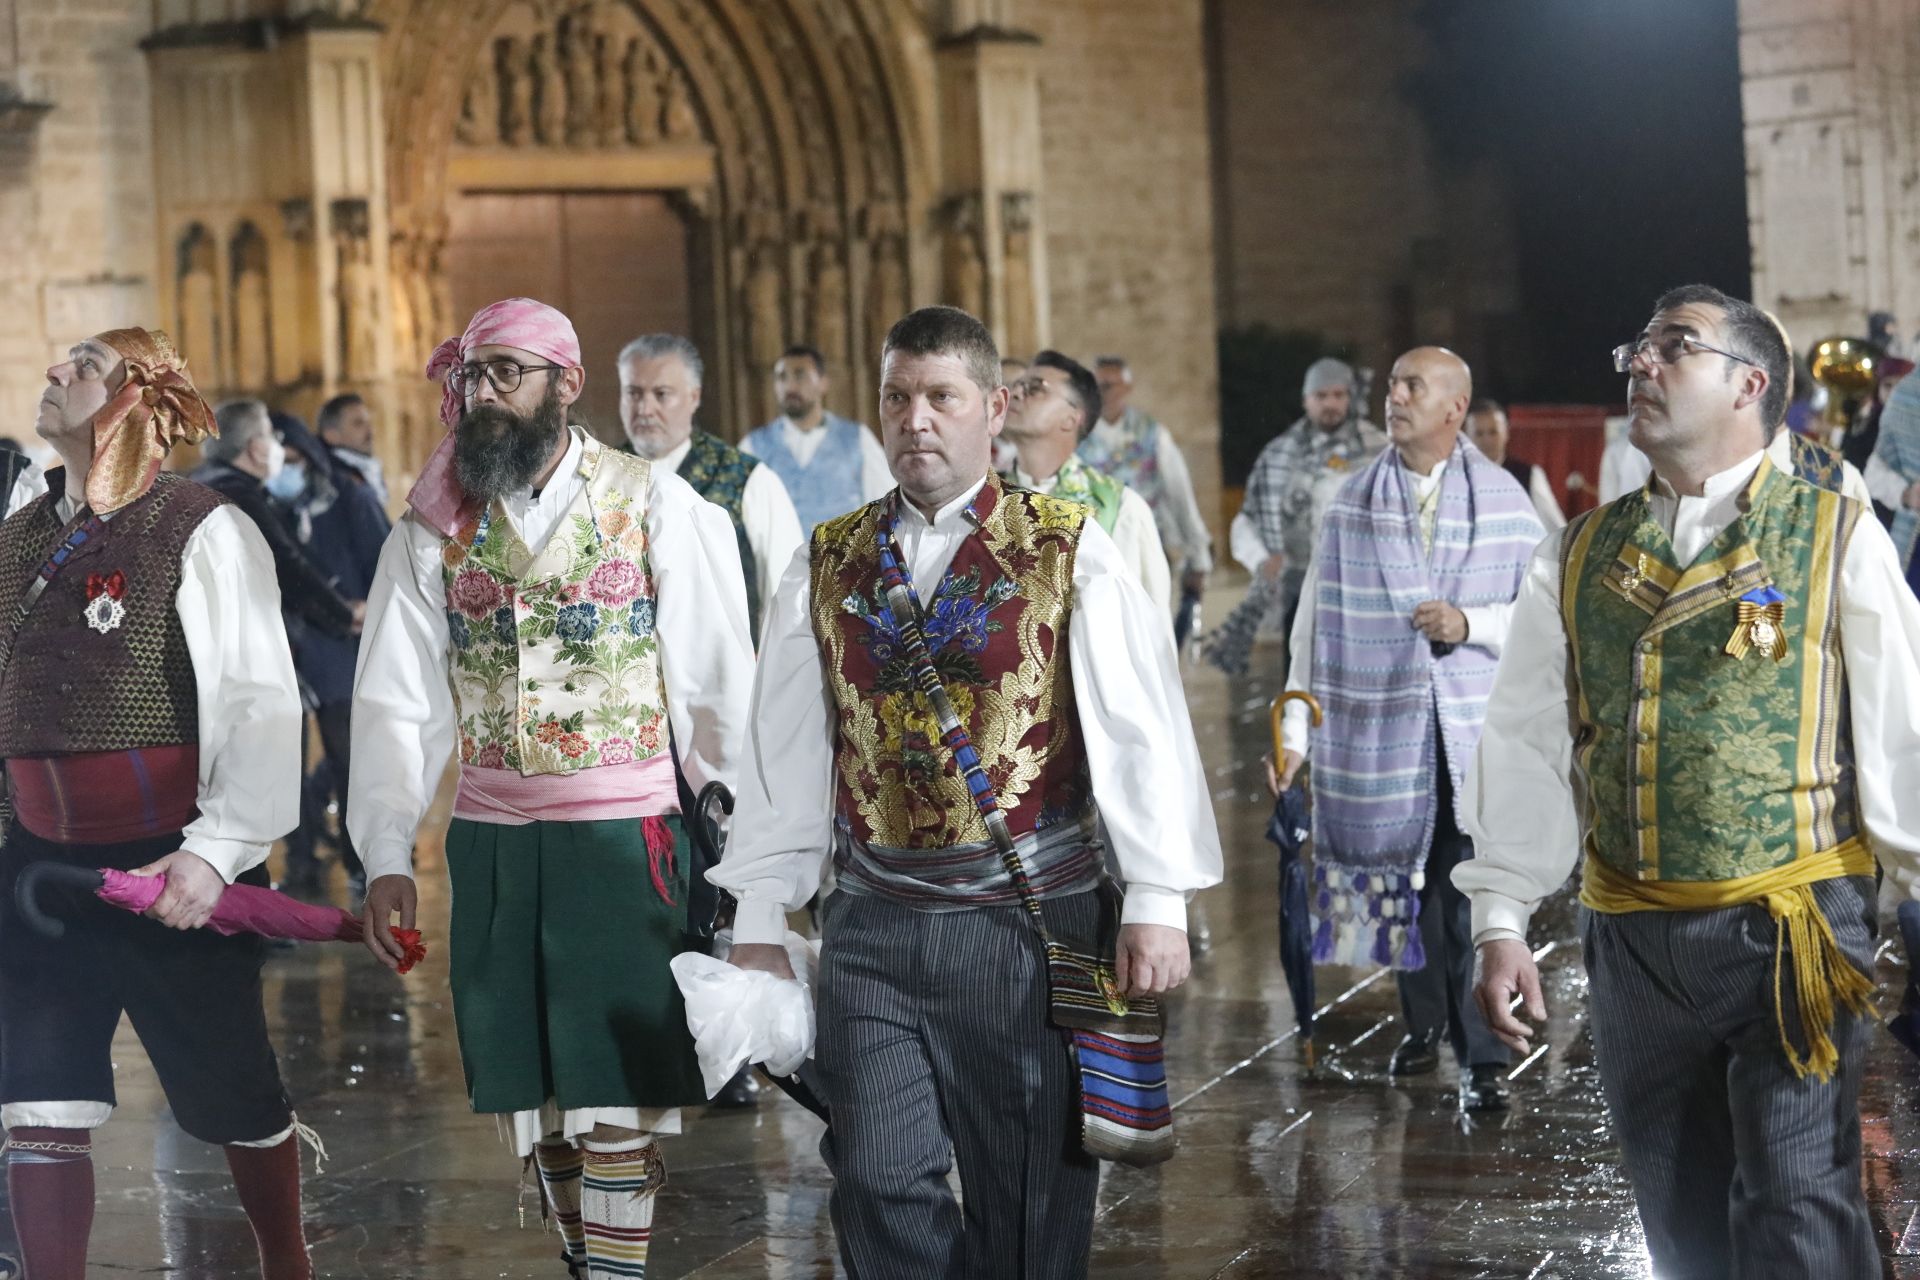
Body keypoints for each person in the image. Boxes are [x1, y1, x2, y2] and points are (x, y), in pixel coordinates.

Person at [712, 306, 1223, 1279]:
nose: (917, 419)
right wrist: (761, 912)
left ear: (991, 408)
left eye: (941, 396)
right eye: (898, 397)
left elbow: (1140, 728)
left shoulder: (1072, 547)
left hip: (1025, 926)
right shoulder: (826, 561)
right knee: (872, 1172)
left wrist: (1157, 894)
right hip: (874, 922)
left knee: (1028, 1192)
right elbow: (782, 748)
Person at [1461, 284, 1920, 1278]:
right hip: (1631, 942)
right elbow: (1529, 738)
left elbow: (1903, 734)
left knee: (1797, 1203)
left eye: (1678, 346)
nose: (1643, 363)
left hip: (1788, 927)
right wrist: (1500, 916)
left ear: (1751, 382)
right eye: (1640, 346)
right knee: (1681, 1219)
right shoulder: (1578, 552)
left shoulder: (1835, 533)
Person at [350, 297, 754, 1280]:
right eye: (472, 374)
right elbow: (396, 702)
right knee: (535, 1106)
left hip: (626, 842)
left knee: (614, 1095)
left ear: (566, 386)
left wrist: (750, 857)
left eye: (506, 373)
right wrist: (388, 851)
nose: (482, 392)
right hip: (492, 842)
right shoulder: (431, 527)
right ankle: (589, 1261)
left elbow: (714, 687)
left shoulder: (659, 504)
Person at [0, 328, 312, 1279]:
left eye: (83, 366)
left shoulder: (202, 526)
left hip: (169, 862)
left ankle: (287, 1261)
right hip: (35, 868)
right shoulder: (14, 538)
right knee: (38, 1095)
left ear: (137, 399)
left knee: (234, 1095)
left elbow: (259, 701)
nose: (55, 374)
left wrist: (216, 855)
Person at [1274, 347, 1544, 1113]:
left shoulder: (1504, 501)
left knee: (1473, 884)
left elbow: (1542, 613)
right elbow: (1313, 624)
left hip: (1471, 730)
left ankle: (1486, 1053)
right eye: (1390, 385)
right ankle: (1424, 1024)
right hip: (1378, 727)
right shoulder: (1350, 502)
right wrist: (1295, 732)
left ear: (1455, 408)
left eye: (1410, 386)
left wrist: (1472, 622)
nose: (1392, 397)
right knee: (1405, 882)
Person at [617, 333, 802, 641]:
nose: (645, 409)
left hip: (723, 670)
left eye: (661, 394)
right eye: (633, 393)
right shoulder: (601, 476)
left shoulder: (747, 478)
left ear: (694, 396)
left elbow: (787, 594)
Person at [278, 411, 390, 898]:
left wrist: (369, 607)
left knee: (349, 764)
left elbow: (385, 562)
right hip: (288, 653)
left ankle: (360, 862)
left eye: (292, 458)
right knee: (286, 769)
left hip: (341, 651)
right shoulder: (267, 505)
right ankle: (301, 863)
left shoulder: (349, 497)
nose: (284, 468)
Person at [1227, 357, 1388, 637]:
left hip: (1367, 592)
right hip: (1297, 595)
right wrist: (1262, 560)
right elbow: (1246, 522)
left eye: (1338, 395)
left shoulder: (1380, 451)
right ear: (1306, 400)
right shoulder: (1278, 456)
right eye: (1321, 396)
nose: (1330, 404)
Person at [1001, 348, 1171, 610]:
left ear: (1071, 419)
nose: (1013, 394)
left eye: (1035, 388)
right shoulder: (986, 497)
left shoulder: (1118, 508)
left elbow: (1148, 625)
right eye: (1016, 385)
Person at [196, 400, 359, 644]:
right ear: (255, 448)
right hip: (244, 637)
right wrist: (345, 616)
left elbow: (294, 550)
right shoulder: (237, 494)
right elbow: (284, 562)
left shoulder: (205, 481)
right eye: (271, 434)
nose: (277, 442)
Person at [1079, 355, 1216, 642]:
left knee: (1149, 634)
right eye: (1096, 386)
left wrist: (1198, 555)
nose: (1102, 393)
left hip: (1147, 544)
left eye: (1109, 385)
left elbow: (1179, 495)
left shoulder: (1152, 434)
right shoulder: (1078, 434)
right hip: (1093, 551)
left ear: (1127, 388)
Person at [739, 344, 890, 534]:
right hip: (779, 563)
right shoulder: (753, 447)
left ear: (823, 383)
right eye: (781, 377)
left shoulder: (857, 439)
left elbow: (885, 508)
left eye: (800, 375)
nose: (790, 386)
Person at [1464, 399, 1566, 531]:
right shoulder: (1456, 477)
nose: (1486, 440)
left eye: (1493, 432)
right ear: (1467, 436)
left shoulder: (1529, 476)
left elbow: (1556, 529)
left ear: (1506, 432)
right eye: (1479, 433)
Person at [316, 391, 388, 508]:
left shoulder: (366, 472)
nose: (370, 430)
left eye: (368, 423)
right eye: (358, 424)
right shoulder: (332, 484)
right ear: (332, 435)